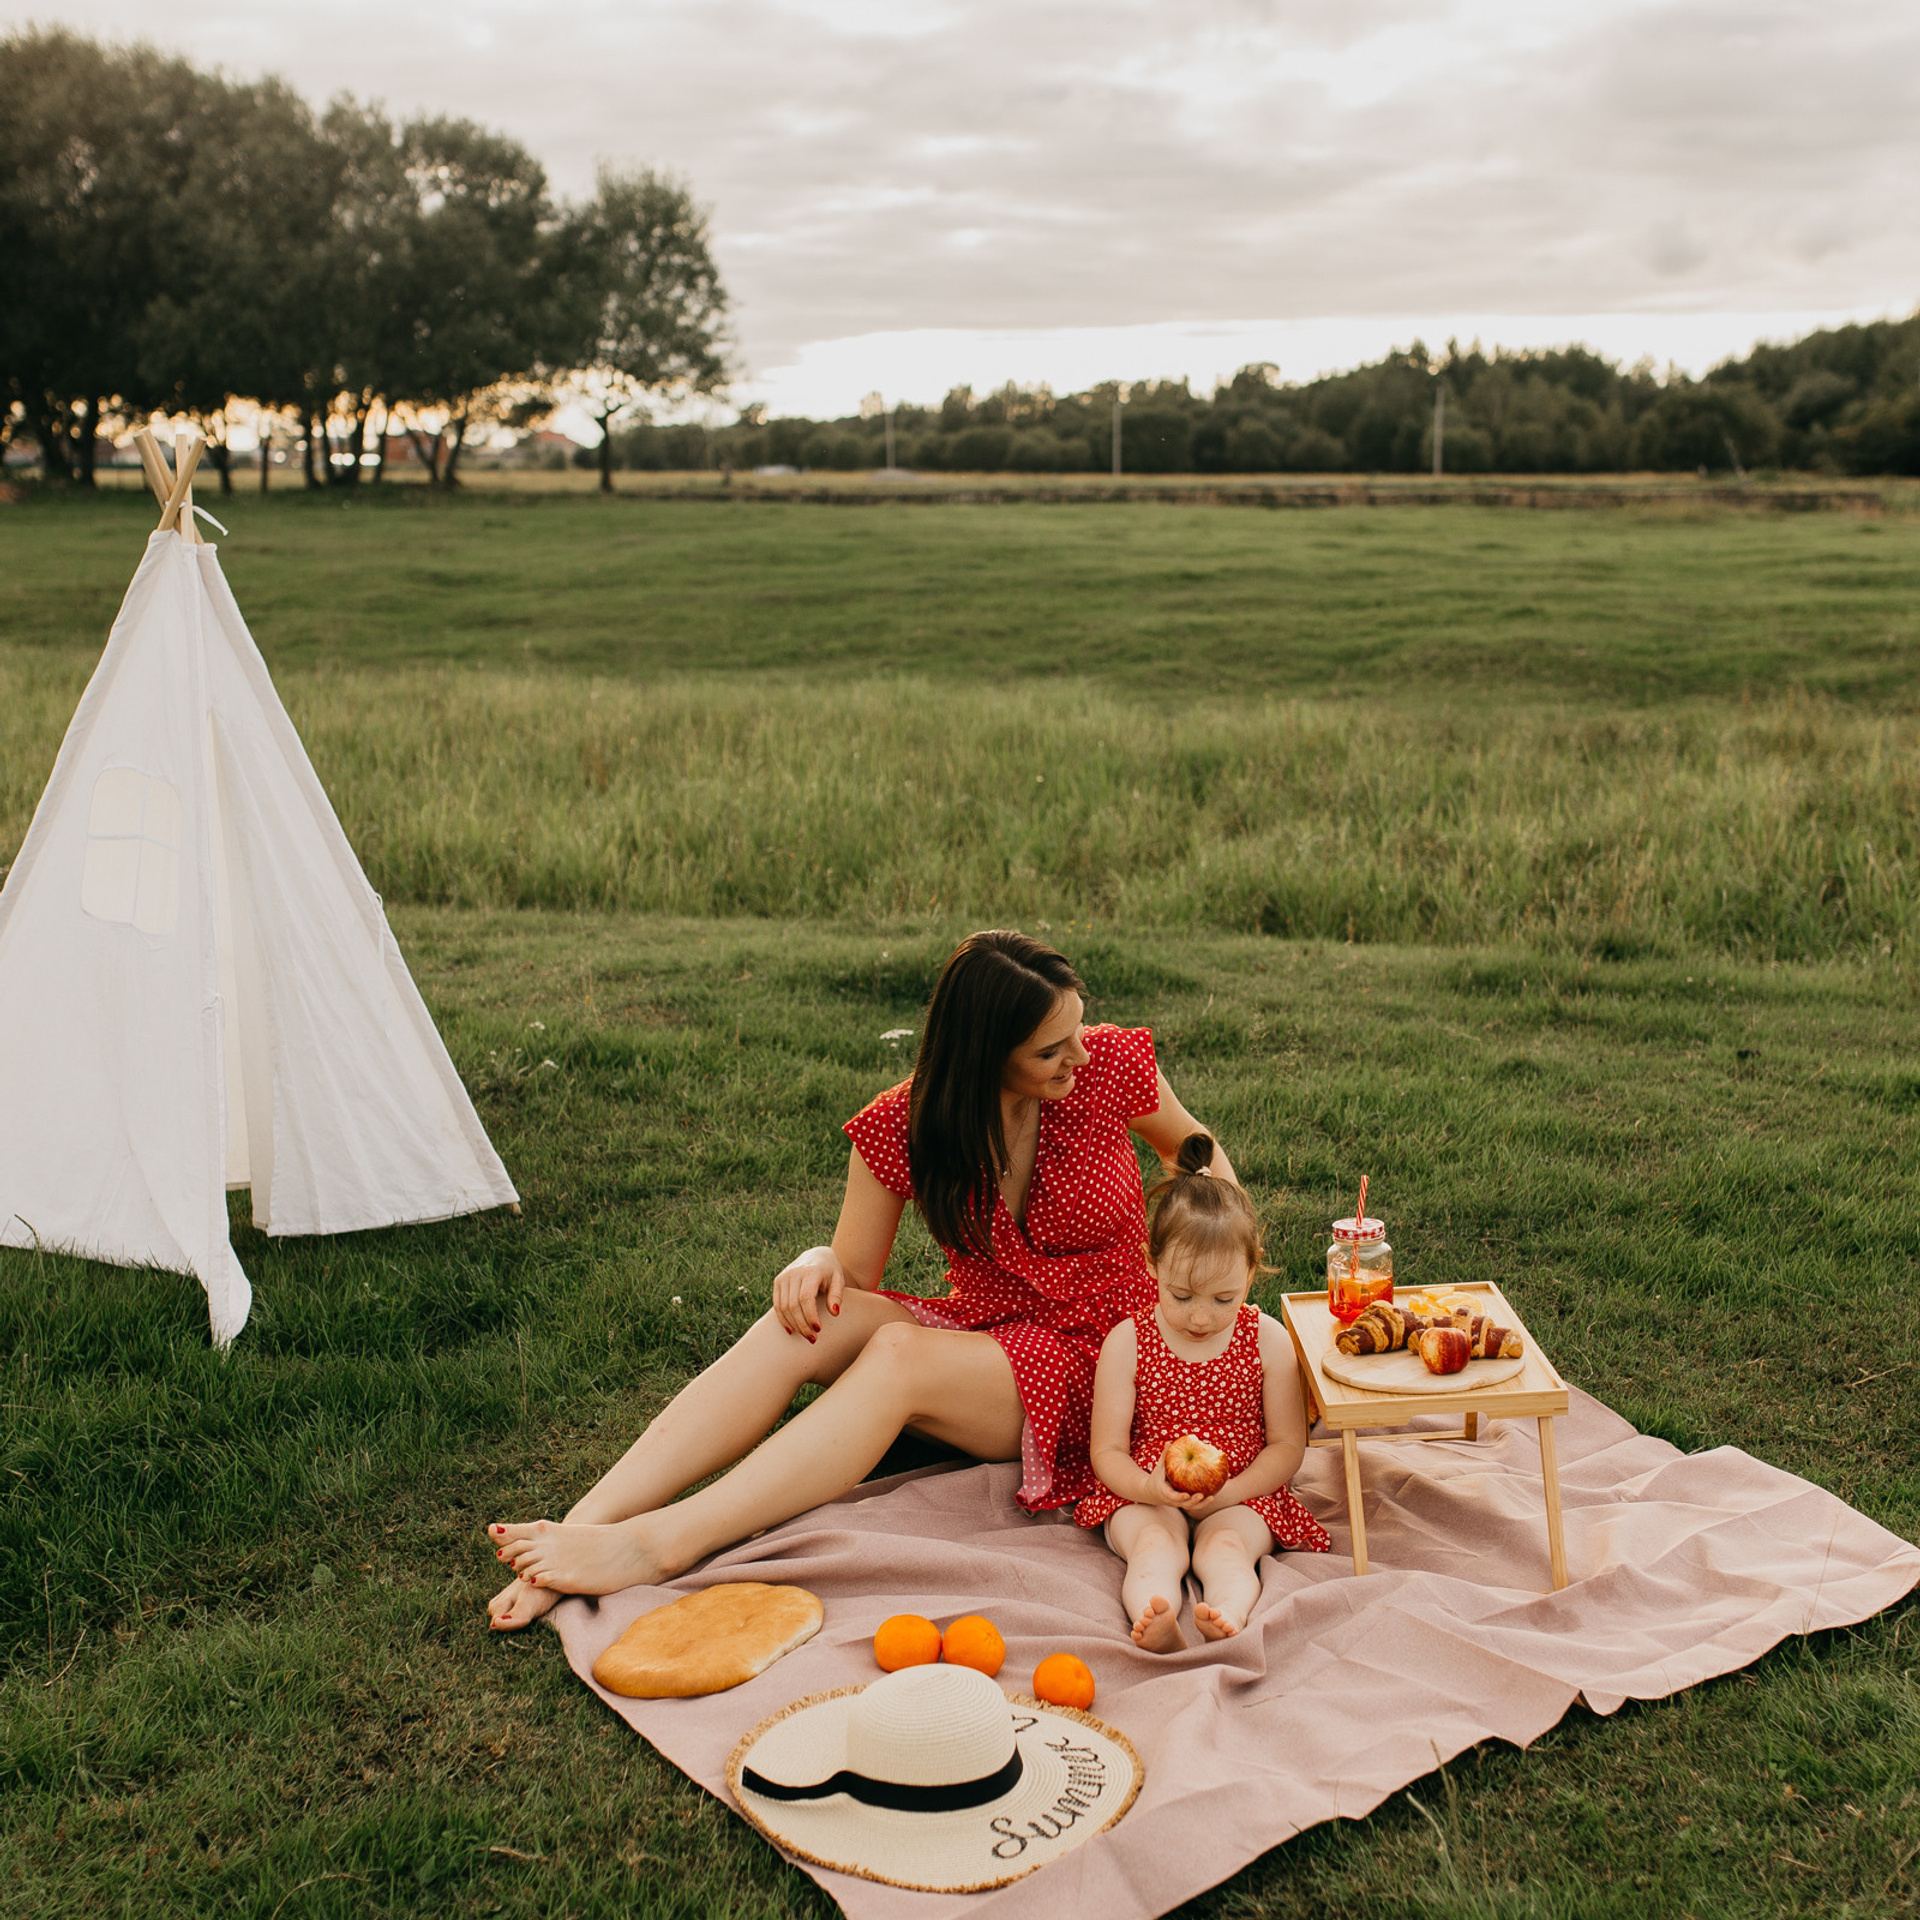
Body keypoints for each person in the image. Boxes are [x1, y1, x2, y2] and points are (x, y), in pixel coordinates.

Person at [487, 928, 1236, 1629]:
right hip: (990, 1331)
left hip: (1108, 1356)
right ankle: (581, 1527)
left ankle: (660, 1544)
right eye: (1050, 1049)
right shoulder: (905, 1124)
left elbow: (1191, 1151)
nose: (1078, 1052)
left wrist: (1208, 1279)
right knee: (807, 1321)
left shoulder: (1107, 1068)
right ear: (984, 1054)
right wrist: (818, 1261)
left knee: (899, 1358)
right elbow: (852, 1277)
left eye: (1077, 1028)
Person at [1078, 1133, 1329, 1652]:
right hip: (1147, 1483)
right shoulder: (1128, 1341)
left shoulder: (1267, 1342)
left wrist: (1234, 1491)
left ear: (1252, 1271)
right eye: (1181, 1294)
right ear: (1151, 1265)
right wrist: (1148, 1489)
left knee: (1229, 1549)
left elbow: (1287, 1445)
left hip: (1242, 1485)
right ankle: (1158, 1616)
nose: (1200, 1316)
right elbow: (1105, 1450)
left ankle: (1227, 1613)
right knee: (1153, 1545)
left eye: (1222, 1298)